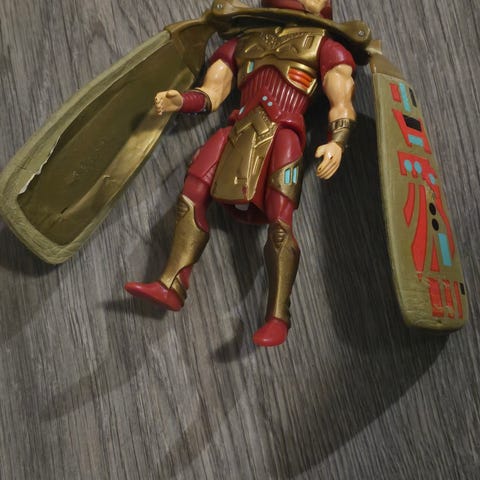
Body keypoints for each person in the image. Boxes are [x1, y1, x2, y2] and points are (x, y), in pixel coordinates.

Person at [125, 0, 356, 347]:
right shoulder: (243, 42)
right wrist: (182, 101)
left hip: (284, 136)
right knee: (191, 194)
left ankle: (278, 317)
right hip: (238, 129)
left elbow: (341, 102)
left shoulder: (325, 47)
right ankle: (171, 283)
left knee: (281, 223)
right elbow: (213, 92)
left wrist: (337, 142)